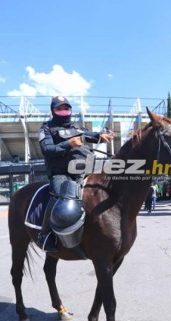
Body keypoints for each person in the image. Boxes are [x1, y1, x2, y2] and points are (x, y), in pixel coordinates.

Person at [37, 96, 114, 250]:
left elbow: (90, 134)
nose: (63, 111)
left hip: (84, 171)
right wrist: (68, 144)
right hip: (61, 173)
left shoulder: (76, 127)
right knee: (62, 198)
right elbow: (47, 150)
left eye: (66, 108)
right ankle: (45, 234)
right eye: (59, 108)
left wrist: (100, 136)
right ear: (53, 110)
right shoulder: (46, 129)